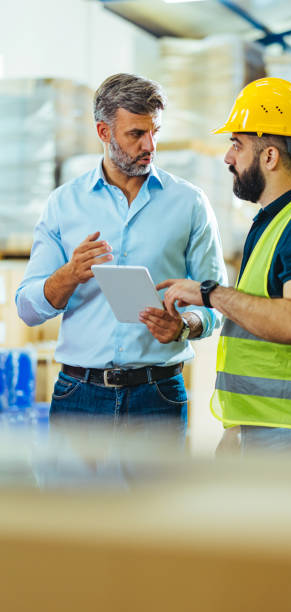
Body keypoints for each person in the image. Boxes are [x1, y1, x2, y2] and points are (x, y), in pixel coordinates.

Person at [145, 78, 291, 457]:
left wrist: (209, 294)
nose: (228, 158)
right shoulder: (271, 223)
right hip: (266, 428)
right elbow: (257, 324)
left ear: (270, 156)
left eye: (237, 145)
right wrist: (237, 429)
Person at [16, 73, 227, 439]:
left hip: (157, 395)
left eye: (154, 132)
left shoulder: (189, 203)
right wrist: (69, 274)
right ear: (103, 132)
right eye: (136, 134)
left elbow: (218, 301)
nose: (150, 145)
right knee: (74, 500)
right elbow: (27, 309)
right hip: (79, 396)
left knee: (158, 499)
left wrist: (185, 324)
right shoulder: (64, 204)